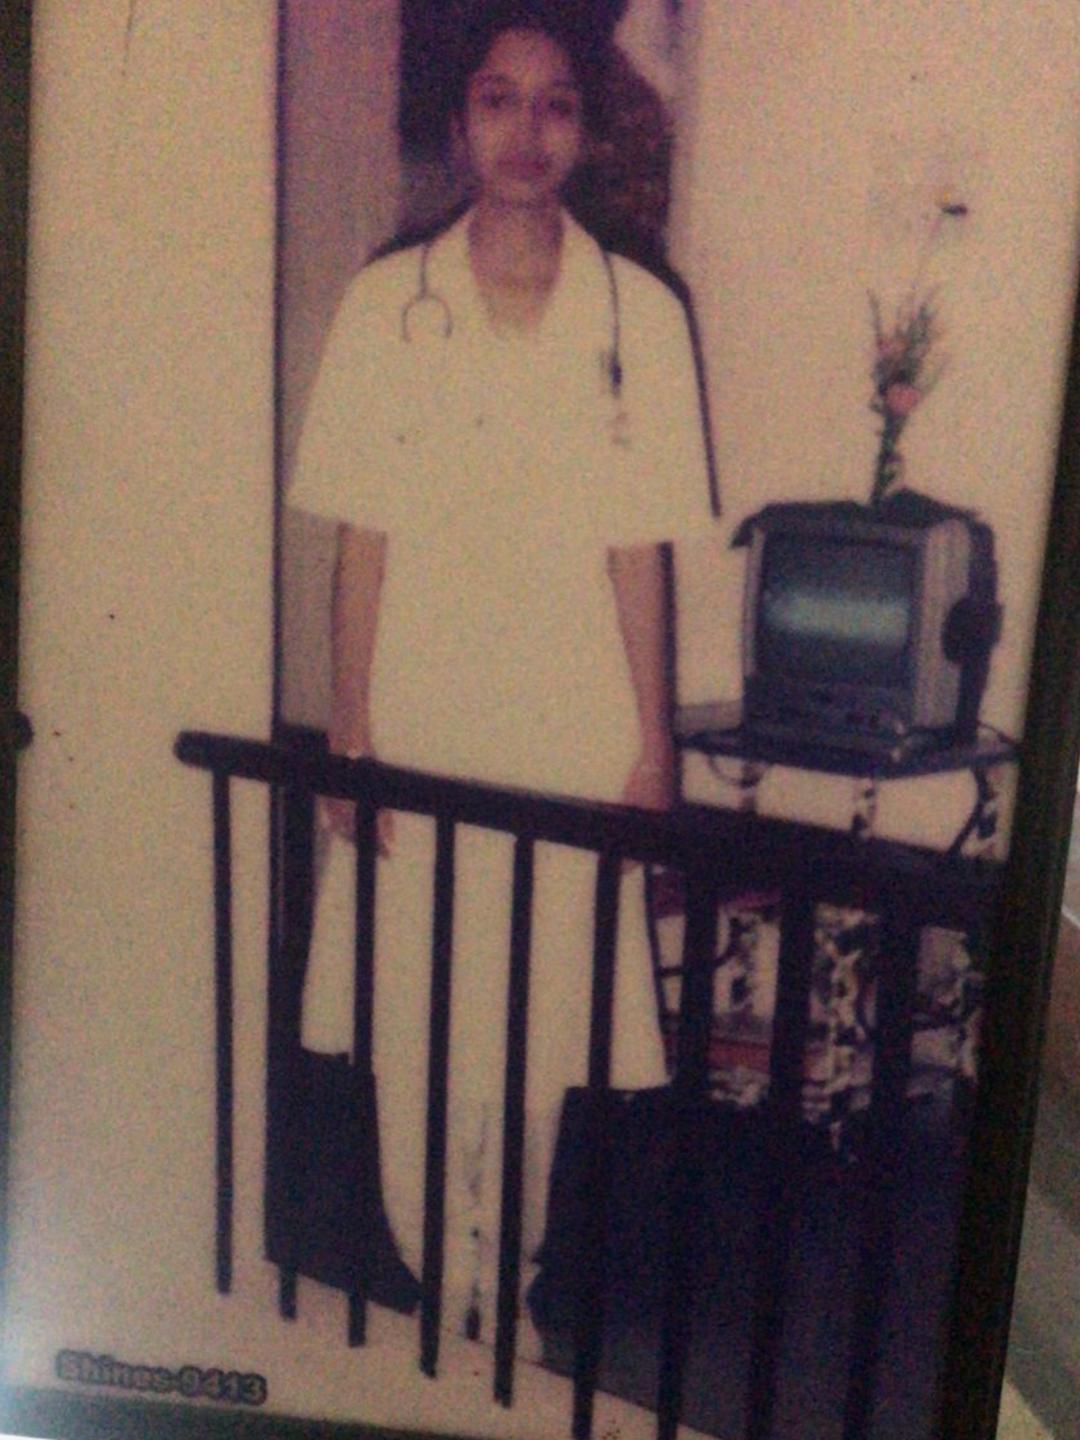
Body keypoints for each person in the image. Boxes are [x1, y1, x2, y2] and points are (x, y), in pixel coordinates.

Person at [289, 0, 716, 1351]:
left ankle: (505, 1310)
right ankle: (438, 1300)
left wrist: (655, 749)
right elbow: (362, 536)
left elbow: (641, 550)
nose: (526, 131)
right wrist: (350, 727)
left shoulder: (637, 313)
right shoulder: (384, 302)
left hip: (570, 722)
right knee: (415, 1018)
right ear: (460, 119)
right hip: (421, 706)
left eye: (555, 105)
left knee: (538, 1031)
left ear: (585, 129)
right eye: (497, 99)